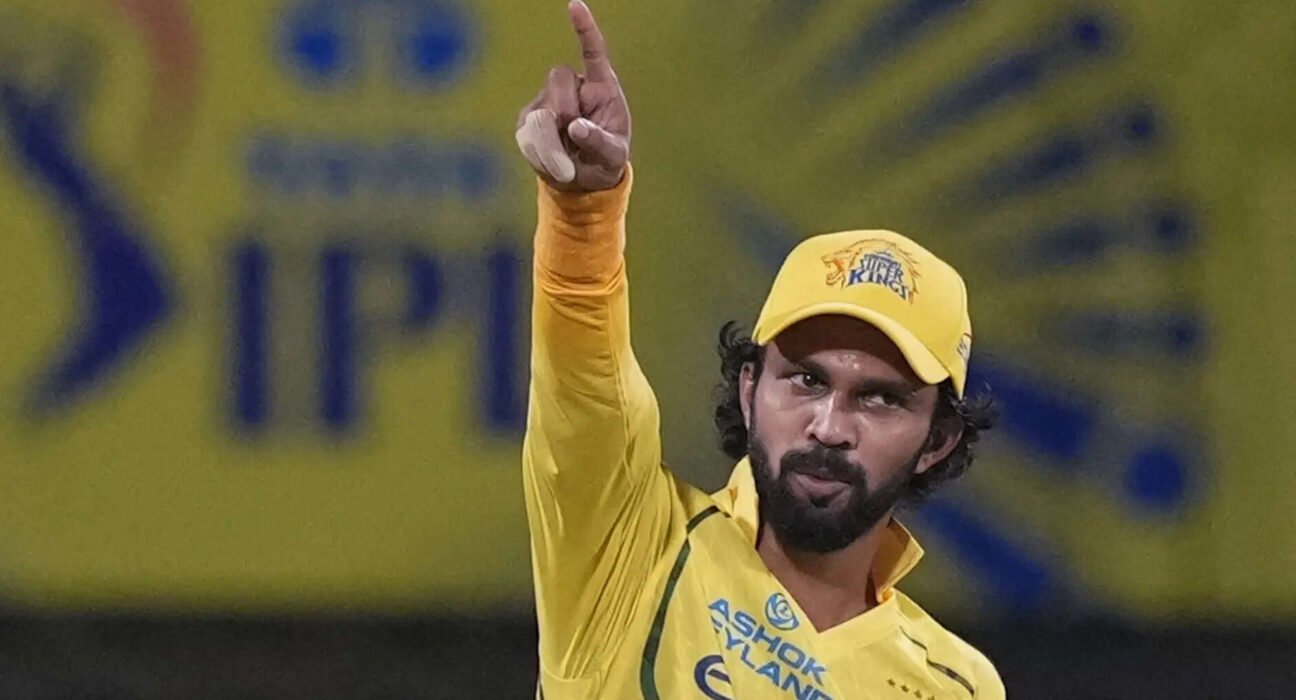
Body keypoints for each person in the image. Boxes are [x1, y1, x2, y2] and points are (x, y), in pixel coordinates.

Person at [516, 3, 1004, 698]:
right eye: (806, 380)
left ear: (939, 440)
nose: (829, 427)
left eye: (880, 398)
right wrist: (583, 213)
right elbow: (583, 386)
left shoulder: (958, 685)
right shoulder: (630, 545)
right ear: (749, 388)